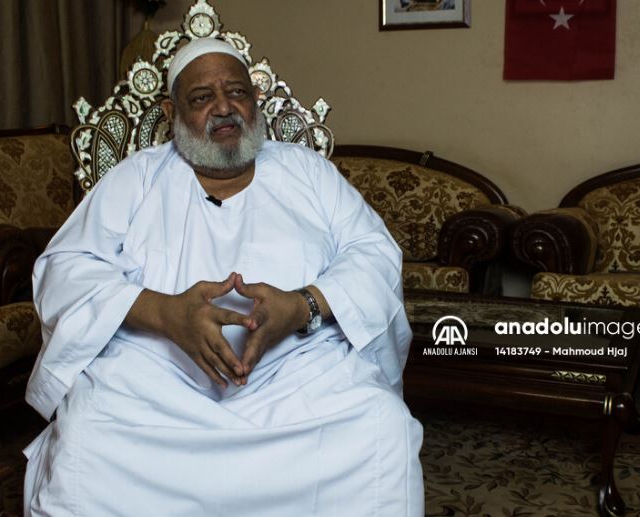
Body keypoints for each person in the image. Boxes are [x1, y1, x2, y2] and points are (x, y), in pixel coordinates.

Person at [23, 37, 424, 516]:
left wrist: (302, 306)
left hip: (297, 371)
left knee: (379, 426)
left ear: (255, 101)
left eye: (236, 92)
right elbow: (65, 269)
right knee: (91, 435)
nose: (223, 107)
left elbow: (374, 255)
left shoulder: (308, 172)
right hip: (157, 374)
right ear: (172, 112)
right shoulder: (137, 178)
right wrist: (165, 313)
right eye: (202, 97)